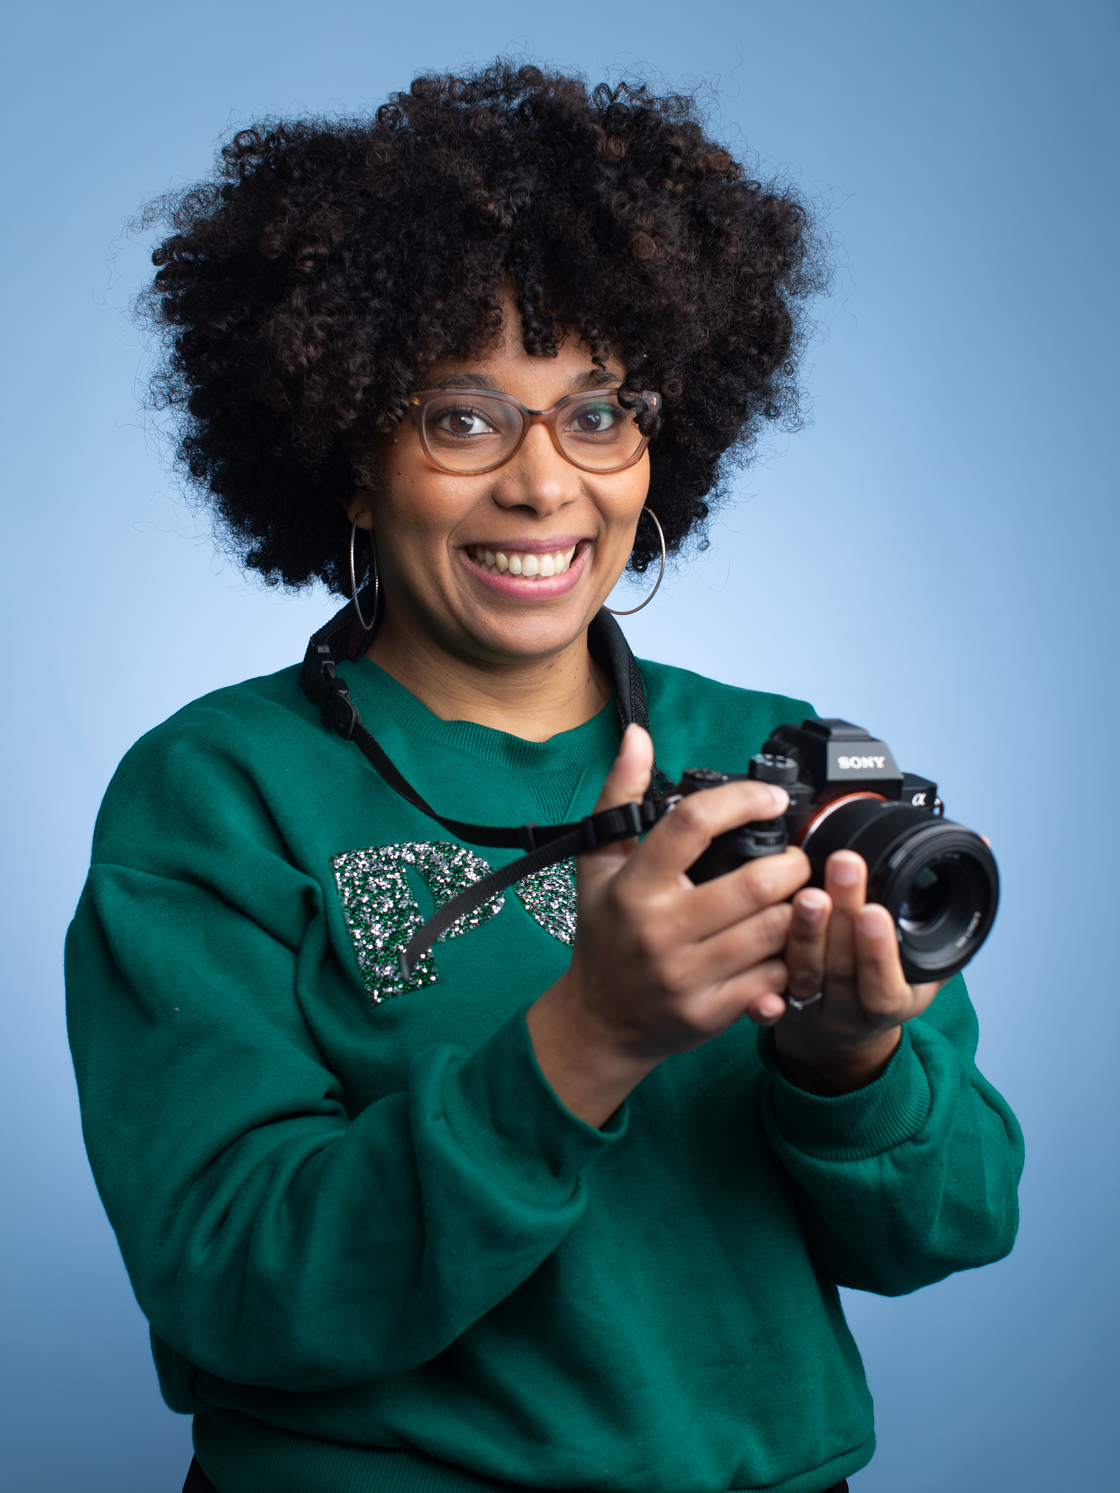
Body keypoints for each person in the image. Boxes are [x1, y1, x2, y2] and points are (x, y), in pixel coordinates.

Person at [65, 64, 1023, 1493]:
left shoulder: (776, 760)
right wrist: (587, 1036)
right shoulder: (216, 791)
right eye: (462, 418)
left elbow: (955, 1225)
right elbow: (235, 1281)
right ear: (349, 454)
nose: (542, 482)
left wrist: (847, 1064)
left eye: (597, 413)